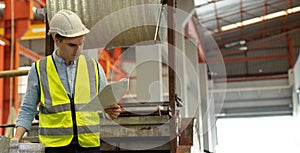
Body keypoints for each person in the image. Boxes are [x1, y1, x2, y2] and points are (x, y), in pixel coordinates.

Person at [12, 9, 122, 153]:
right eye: (72, 45)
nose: (78, 50)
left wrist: (112, 110)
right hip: (56, 147)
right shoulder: (40, 69)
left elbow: (105, 101)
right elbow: (28, 108)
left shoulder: (93, 66)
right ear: (57, 40)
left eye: (81, 44)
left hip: (89, 145)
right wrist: (16, 139)